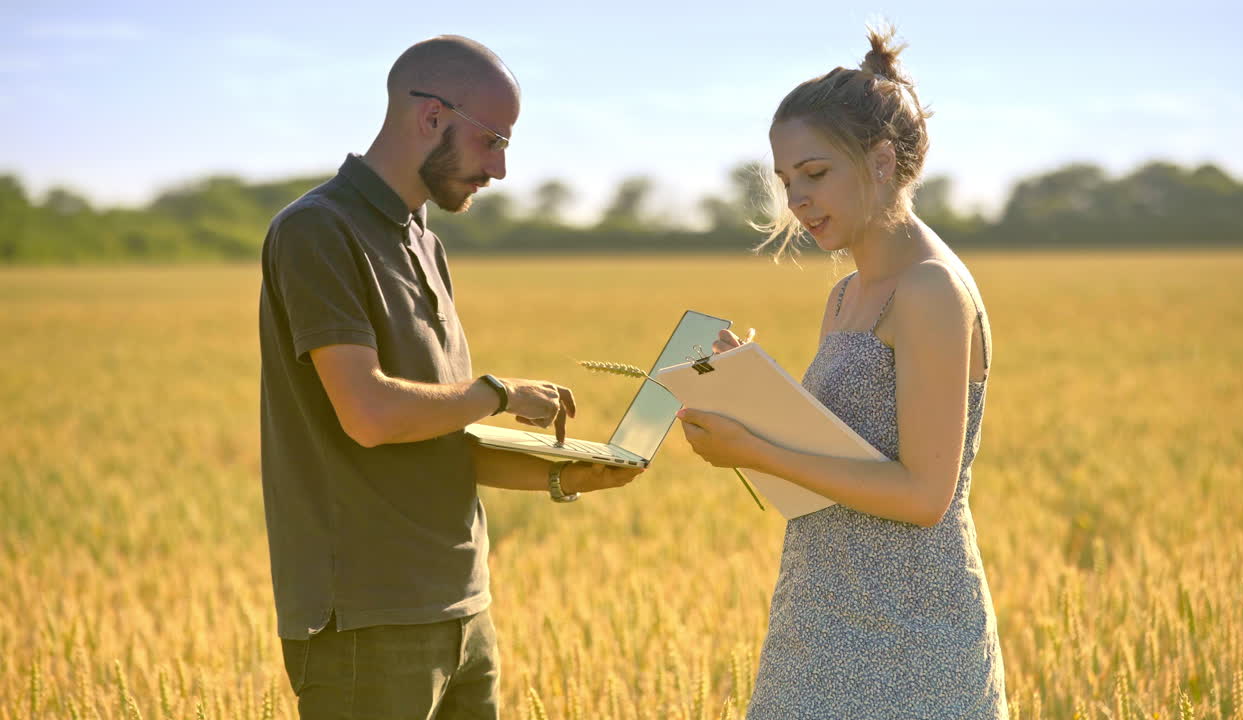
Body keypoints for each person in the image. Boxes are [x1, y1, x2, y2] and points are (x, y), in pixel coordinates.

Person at [257, 35, 642, 720]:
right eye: (492, 141)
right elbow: (371, 414)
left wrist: (567, 473)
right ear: (432, 117)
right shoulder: (318, 231)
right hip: (368, 622)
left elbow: (436, 431)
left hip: (464, 608)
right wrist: (498, 392)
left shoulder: (424, 240)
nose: (498, 169)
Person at [676, 25, 1009, 718]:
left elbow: (923, 496)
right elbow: (835, 456)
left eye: (815, 173)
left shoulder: (930, 291)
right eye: (785, 180)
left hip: (913, 638)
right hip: (819, 615)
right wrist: (750, 393)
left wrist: (753, 448)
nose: (796, 198)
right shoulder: (844, 295)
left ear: (882, 160)